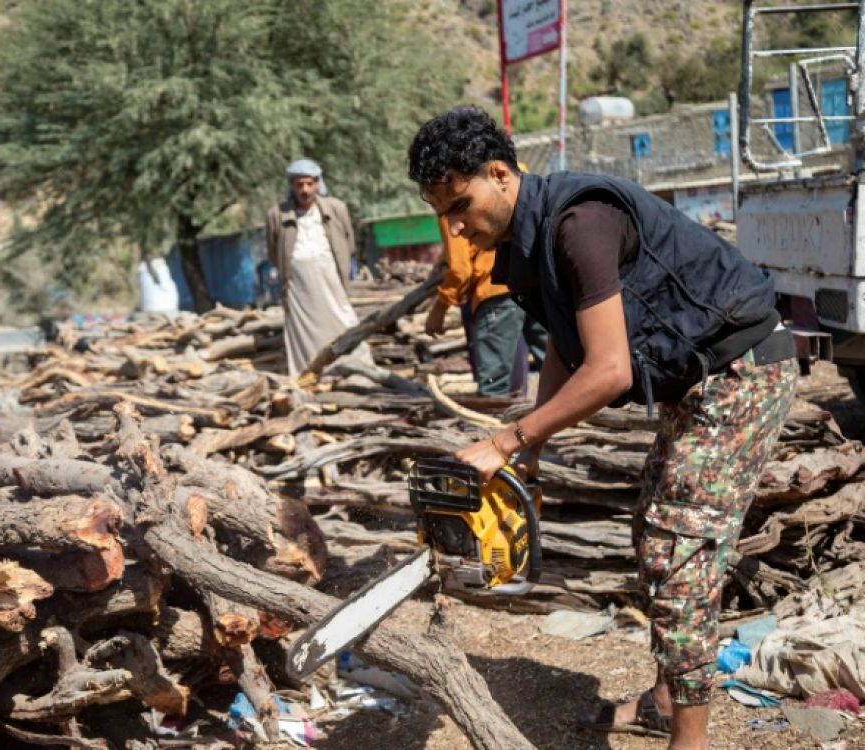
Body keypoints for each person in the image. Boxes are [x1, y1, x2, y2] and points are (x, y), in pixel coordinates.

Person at [407, 108, 797, 750]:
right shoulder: (523, 245)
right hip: (698, 381)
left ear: (500, 174)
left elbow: (610, 370)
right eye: (440, 212)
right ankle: (666, 700)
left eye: (459, 204)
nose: (453, 225)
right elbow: (567, 347)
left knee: (680, 552)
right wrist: (535, 448)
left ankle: (689, 742)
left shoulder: (579, 224)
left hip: (742, 371)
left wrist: (507, 440)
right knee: (655, 529)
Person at [265, 159, 371, 377]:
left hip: (331, 279)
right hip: (297, 286)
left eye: (309, 184)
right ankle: (310, 376)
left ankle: (358, 370)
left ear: (317, 183)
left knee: (343, 320)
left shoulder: (336, 208)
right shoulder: (277, 214)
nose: (305, 190)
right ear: (291, 186)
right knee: (303, 332)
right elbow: (274, 251)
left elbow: (348, 242)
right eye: (299, 185)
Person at [426, 214, 547, 396]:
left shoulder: (451, 211)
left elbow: (460, 270)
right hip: (533, 285)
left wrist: (439, 309)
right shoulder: (500, 194)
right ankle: (578, 415)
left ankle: (494, 420)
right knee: (555, 362)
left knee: (494, 383)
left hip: (495, 295)